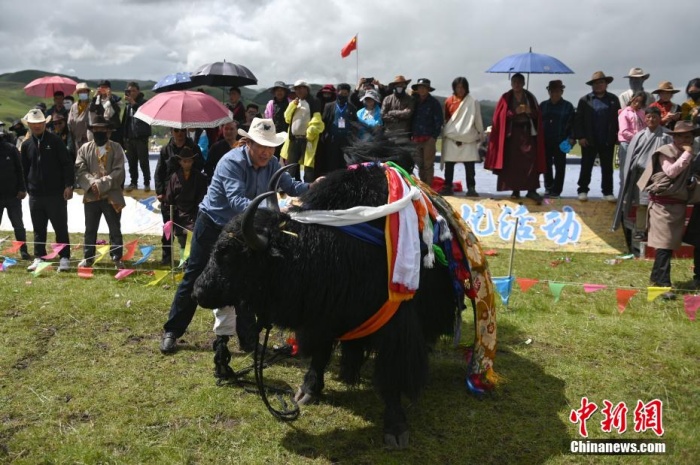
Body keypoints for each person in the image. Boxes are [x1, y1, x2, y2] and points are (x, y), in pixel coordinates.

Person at [159, 118, 313, 355]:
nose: (266, 151)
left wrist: (317, 187)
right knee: (195, 273)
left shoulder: (272, 163)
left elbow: (292, 186)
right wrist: (274, 211)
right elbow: (238, 201)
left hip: (244, 229)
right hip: (213, 223)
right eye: (261, 145)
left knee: (247, 281)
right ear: (248, 143)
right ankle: (173, 330)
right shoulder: (231, 162)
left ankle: (249, 340)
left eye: (270, 146)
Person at [638, 121, 700, 299]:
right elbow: (671, 172)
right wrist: (687, 154)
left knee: (668, 246)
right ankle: (664, 285)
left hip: (677, 207)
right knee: (664, 245)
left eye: (689, 136)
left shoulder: (689, 155)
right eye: (681, 136)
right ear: (674, 137)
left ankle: (656, 278)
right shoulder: (665, 152)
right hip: (662, 206)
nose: (685, 139)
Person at [19, 108, 74, 272]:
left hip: (56, 193)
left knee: (60, 227)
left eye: (40, 123)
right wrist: (28, 188)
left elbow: (67, 164)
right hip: (35, 195)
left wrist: (69, 185)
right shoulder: (26, 145)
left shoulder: (55, 141)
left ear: (45, 123)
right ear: (29, 124)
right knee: (38, 228)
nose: (37, 126)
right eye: (33, 123)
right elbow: (24, 168)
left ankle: (64, 257)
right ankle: (39, 257)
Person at [614, 107, 672, 246]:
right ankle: (640, 230)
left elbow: (670, 155)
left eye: (654, 117)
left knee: (658, 205)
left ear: (660, 118)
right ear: (645, 119)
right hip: (641, 176)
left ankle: (656, 230)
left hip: (659, 175)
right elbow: (632, 157)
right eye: (649, 117)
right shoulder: (638, 136)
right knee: (642, 204)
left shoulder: (666, 135)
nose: (651, 119)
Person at [74, 116, 126, 269]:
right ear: (92, 130)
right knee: (90, 228)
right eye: (96, 129)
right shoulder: (84, 148)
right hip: (91, 196)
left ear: (108, 131)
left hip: (112, 196)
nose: (99, 132)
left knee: (115, 228)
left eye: (102, 129)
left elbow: (119, 171)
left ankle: (117, 258)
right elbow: (80, 169)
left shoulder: (117, 148)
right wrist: (91, 183)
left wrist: (101, 184)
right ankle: (88, 257)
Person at [485, 72, 545, 203]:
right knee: (513, 163)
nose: (517, 85)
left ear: (523, 83)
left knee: (531, 161)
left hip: (528, 133)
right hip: (512, 135)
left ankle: (532, 190)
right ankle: (515, 190)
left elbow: (537, 115)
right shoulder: (506, 97)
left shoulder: (530, 97)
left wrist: (530, 111)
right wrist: (514, 112)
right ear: (511, 84)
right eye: (514, 82)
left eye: (519, 82)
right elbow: (500, 117)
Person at [155, 128, 203, 265]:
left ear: (186, 131)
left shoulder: (194, 147)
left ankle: (188, 259)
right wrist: (160, 191)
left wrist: (191, 158)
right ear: (172, 131)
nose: (180, 133)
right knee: (168, 228)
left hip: (190, 195)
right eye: (176, 131)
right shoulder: (165, 149)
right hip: (169, 195)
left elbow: (201, 166)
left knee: (188, 231)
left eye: (182, 130)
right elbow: (159, 172)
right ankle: (166, 256)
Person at [574, 71, 621, 202]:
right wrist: (581, 137)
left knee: (607, 168)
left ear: (606, 84)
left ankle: (608, 192)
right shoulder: (585, 100)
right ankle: (582, 190)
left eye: (601, 82)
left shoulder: (613, 99)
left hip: (607, 139)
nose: (599, 85)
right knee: (586, 166)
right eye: (596, 83)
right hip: (589, 140)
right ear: (592, 85)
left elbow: (618, 119)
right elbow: (578, 120)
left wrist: (618, 135)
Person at [440, 76, 484, 197]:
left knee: (469, 166)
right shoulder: (448, 101)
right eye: (457, 87)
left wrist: (480, 132)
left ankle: (471, 188)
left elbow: (477, 119)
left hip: (468, 137)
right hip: (452, 137)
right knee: (449, 165)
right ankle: (448, 186)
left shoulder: (473, 101)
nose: (460, 89)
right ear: (454, 88)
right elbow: (447, 119)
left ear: (466, 88)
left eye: (462, 87)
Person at [163, 146, 208, 257]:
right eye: (184, 161)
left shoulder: (199, 177)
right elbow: (169, 197)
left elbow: (202, 197)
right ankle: (184, 261)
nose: (187, 163)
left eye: (189, 161)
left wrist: (197, 213)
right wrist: (170, 214)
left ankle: (191, 260)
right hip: (179, 213)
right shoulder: (174, 177)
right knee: (182, 240)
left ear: (193, 161)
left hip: (194, 212)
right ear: (180, 162)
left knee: (193, 239)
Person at [280, 80, 324, 182]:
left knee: (307, 166)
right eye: (296, 89)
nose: (298, 90)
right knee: (291, 165)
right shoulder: (294, 103)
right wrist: (292, 106)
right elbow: (287, 118)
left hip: (307, 139)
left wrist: (310, 133)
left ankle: (307, 188)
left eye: (300, 88)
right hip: (293, 139)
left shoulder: (313, 101)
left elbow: (317, 119)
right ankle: (291, 187)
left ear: (306, 89)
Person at [539, 80, 575, 199]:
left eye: (557, 91)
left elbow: (572, 125)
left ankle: (557, 190)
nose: (554, 93)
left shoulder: (568, 106)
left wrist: (571, 139)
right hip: (545, 140)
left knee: (560, 167)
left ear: (562, 91)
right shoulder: (543, 105)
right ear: (549, 92)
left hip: (561, 141)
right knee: (546, 166)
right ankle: (548, 188)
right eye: (552, 91)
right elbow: (537, 123)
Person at [0, 129, 30, 260]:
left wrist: (22, 189)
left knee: (18, 225)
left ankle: (23, 251)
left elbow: (20, 169)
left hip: (14, 195)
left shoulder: (11, 149)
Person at [317, 83, 357, 176]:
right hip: (332, 139)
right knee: (331, 162)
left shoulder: (352, 108)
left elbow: (355, 124)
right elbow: (324, 121)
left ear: (348, 94)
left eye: (345, 93)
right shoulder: (329, 106)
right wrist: (324, 136)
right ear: (337, 93)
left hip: (346, 140)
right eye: (341, 93)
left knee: (345, 162)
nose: (343, 95)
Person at [410, 78, 443, 187]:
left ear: (428, 89)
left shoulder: (434, 103)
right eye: (420, 87)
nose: (422, 90)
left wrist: (434, 137)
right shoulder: (414, 102)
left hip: (429, 138)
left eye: (424, 88)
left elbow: (439, 121)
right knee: (420, 165)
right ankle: (422, 186)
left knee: (428, 164)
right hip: (415, 137)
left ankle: (429, 188)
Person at [122, 82, 152, 192]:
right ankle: (133, 182)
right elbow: (125, 122)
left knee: (144, 162)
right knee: (132, 162)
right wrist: (124, 137)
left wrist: (133, 103)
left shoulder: (144, 103)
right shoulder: (127, 105)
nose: (132, 93)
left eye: (134, 91)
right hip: (130, 138)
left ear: (138, 91)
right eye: (129, 91)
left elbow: (143, 114)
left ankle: (147, 182)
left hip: (141, 137)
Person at [617, 91, 648, 187]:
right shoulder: (624, 113)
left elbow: (645, 127)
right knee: (625, 170)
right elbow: (624, 131)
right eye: (636, 100)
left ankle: (634, 195)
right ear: (631, 99)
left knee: (637, 169)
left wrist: (644, 139)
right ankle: (623, 194)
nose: (637, 103)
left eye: (640, 102)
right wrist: (638, 138)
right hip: (626, 144)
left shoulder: (643, 113)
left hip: (639, 144)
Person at [381, 75, 414, 143]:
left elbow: (407, 114)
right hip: (389, 134)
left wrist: (391, 112)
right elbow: (383, 115)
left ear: (405, 86)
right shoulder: (387, 99)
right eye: (398, 85)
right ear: (394, 86)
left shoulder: (410, 99)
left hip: (404, 135)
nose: (400, 87)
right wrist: (396, 119)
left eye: (402, 85)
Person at [89, 80, 122, 146]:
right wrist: (94, 97)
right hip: (101, 128)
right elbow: (91, 109)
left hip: (113, 128)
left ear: (109, 88)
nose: (103, 89)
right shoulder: (97, 99)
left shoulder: (115, 98)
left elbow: (117, 110)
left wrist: (110, 98)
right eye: (101, 87)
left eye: (105, 87)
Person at [264, 81, 290, 159]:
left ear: (285, 92)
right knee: (274, 156)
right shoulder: (270, 104)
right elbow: (267, 119)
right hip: (274, 134)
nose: (279, 92)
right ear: (274, 92)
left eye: (281, 90)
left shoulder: (290, 103)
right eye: (277, 90)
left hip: (287, 134)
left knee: (287, 157)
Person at [68, 82, 92, 153]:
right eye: (80, 92)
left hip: (89, 140)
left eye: (84, 91)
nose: (83, 93)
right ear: (78, 94)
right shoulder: (74, 106)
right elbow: (70, 123)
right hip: (77, 141)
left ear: (88, 93)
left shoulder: (92, 105)